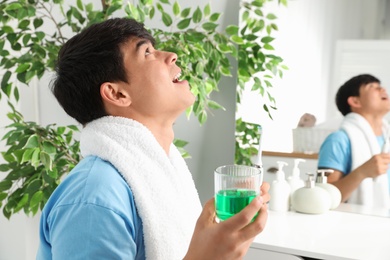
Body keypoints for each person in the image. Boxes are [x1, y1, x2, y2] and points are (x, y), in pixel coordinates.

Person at [36, 17, 270, 259]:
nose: (171, 56)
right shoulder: (93, 199)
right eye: (147, 52)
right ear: (116, 93)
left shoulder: (160, 171)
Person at [318, 74, 390, 208]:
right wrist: (362, 172)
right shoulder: (338, 140)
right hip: (359, 223)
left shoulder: (387, 137)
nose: (382, 89)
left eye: (380, 86)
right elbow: (325, 197)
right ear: (355, 102)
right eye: (373, 87)